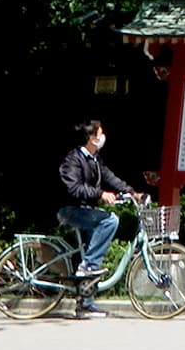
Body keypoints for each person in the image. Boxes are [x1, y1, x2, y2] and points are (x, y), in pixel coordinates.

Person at [58, 119, 140, 319]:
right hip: (71, 211)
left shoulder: (95, 159)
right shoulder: (73, 159)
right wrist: (100, 194)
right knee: (110, 220)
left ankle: (85, 304)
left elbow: (110, 177)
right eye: (100, 134)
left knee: (90, 248)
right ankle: (89, 265)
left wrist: (132, 192)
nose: (103, 137)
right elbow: (73, 188)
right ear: (92, 138)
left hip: (86, 212)